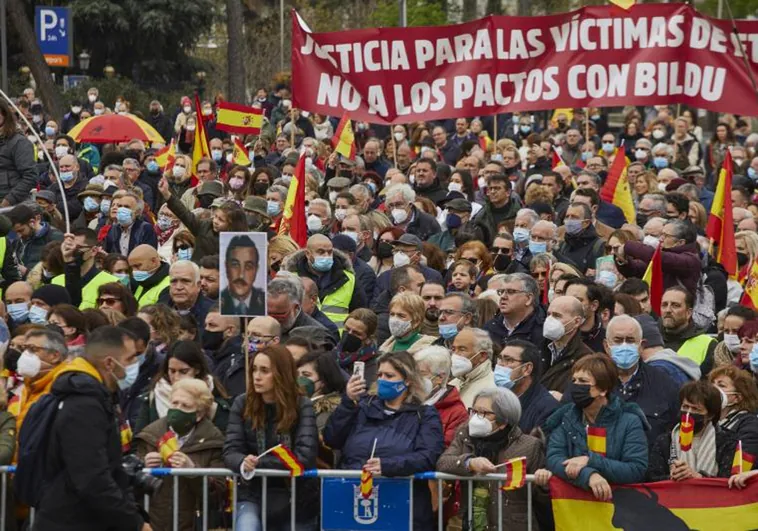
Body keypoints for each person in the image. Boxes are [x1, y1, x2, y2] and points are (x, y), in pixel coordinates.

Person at [35, 326, 151, 531]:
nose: (136, 364)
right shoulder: (84, 405)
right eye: (131, 358)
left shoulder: (97, 397)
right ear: (109, 363)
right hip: (73, 521)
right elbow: (91, 478)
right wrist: (134, 523)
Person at [324, 350, 444, 531]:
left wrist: (389, 466)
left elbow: (428, 456)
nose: (382, 380)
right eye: (379, 375)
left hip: (401, 503)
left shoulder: (424, 414)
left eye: (389, 375)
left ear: (407, 380)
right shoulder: (363, 405)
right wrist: (348, 403)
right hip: (352, 496)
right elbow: (332, 438)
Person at [223, 345, 319, 530]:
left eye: (265, 371)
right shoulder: (242, 403)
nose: (257, 376)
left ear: (281, 373)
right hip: (252, 493)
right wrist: (243, 462)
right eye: (254, 369)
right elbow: (230, 450)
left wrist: (259, 463)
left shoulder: (302, 405)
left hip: (296, 497)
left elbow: (304, 457)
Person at [534, 354, 648, 500]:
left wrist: (590, 460)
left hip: (620, 507)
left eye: (583, 381)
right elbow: (555, 459)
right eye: (574, 380)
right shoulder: (566, 417)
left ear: (603, 389)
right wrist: (589, 475)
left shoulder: (629, 421)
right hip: (577, 507)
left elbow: (636, 469)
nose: (575, 386)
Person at [437, 387, 545, 531]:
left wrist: (543, 483)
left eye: (484, 413)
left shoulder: (529, 446)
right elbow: (443, 463)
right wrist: (469, 463)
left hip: (512, 525)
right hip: (472, 523)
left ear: (503, 421)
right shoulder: (464, 435)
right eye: (474, 411)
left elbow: (542, 497)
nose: (476, 418)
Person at [134, 378, 226, 531]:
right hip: (153, 524)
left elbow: (218, 495)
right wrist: (143, 465)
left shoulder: (213, 441)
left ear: (199, 414)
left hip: (193, 524)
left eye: (185, 406)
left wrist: (193, 471)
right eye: (174, 403)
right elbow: (132, 487)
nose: (177, 409)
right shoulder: (149, 436)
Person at [604, 315, 679, 445]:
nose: (624, 346)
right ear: (606, 345)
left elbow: (677, 432)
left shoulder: (664, 384)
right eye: (618, 340)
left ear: (642, 345)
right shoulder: (591, 382)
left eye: (630, 340)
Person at [135, 340, 231, 434]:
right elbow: (139, 442)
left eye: (183, 371)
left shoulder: (215, 402)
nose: (176, 378)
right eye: (172, 371)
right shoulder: (152, 399)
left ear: (197, 369)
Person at [648, 381, 736, 481]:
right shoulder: (665, 440)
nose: (688, 413)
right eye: (685, 407)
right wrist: (673, 477)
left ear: (710, 415)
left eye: (695, 409)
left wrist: (698, 477)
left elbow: (728, 480)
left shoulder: (726, 442)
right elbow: (651, 477)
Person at [282, 234, 365, 331]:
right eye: (320, 252)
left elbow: (360, 313)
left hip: (338, 340)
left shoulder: (349, 279)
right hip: (301, 337)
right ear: (308, 254)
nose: (326, 256)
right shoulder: (291, 278)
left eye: (330, 252)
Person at [158, 176, 248, 262]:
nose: (215, 221)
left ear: (232, 224)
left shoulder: (239, 241)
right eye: (215, 216)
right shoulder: (204, 226)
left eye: (221, 220)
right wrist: (167, 194)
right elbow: (184, 214)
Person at [615, 219, 702, 295]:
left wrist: (628, 246)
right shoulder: (665, 253)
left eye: (666, 235)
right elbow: (636, 271)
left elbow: (660, 258)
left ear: (680, 242)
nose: (660, 239)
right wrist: (622, 260)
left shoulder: (691, 260)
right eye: (661, 234)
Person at [495, 339, 558, 435]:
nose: (500, 365)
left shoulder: (547, 409)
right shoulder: (493, 397)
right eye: (500, 359)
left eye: (508, 360)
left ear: (527, 369)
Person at [14, 328, 69, 438]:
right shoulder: (27, 386)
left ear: (55, 356)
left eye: (33, 349)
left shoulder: (63, 389)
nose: (26, 354)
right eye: (24, 349)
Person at [296, 351, 347, 468]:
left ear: (323, 381)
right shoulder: (296, 405)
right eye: (297, 374)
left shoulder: (331, 410)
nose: (299, 379)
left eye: (306, 375)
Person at [414, 346, 467, 447]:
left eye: (421, 373)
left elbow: (445, 450)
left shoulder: (457, 413)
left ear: (440, 377)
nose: (414, 378)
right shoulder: (404, 400)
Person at [540, 295, 592, 395]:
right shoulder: (537, 347)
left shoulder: (585, 358)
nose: (549, 320)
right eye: (548, 314)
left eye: (557, 316)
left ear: (576, 322)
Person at [54, 230, 119, 309]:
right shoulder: (56, 281)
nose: (72, 250)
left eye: (78, 247)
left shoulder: (111, 282)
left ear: (93, 251)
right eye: (69, 247)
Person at [660, 287, 716, 376]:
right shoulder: (649, 339)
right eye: (664, 305)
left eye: (675, 305)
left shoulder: (707, 344)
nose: (668, 310)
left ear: (688, 313)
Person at [708, 365, 758, 465]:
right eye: (712, 383)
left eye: (721, 385)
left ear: (737, 398)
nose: (712, 388)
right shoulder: (707, 420)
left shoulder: (750, 424)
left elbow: (742, 464)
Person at [483, 272, 546, 348]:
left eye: (511, 292)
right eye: (501, 292)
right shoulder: (489, 327)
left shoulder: (544, 331)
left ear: (529, 299)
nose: (503, 296)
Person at [158, 260, 214, 339]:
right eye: (174, 281)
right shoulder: (160, 310)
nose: (178, 287)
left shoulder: (212, 313)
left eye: (185, 281)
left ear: (198, 286)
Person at [9, 204, 63, 276]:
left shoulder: (55, 238)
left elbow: (57, 271)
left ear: (32, 222)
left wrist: (27, 272)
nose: (18, 235)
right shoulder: (17, 239)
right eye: (15, 232)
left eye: (21, 230)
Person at [267, 276, 325, 343]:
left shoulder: (316, 335)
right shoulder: (260, 326)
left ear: (296, 307)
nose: (273, 319)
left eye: (280, 314)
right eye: (269, 313)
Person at [450, 327, 496, 408]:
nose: (455, 355)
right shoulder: (452, 384)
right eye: (453, 349)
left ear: (482, 356)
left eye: (462, 349)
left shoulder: (493, 388)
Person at [220, 234, 266, 315]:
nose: (241, 275)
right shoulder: (218, 302)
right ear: (226, 267)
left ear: (256, 269)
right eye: (235, 265)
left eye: (248, 267)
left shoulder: (266, 303)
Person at [556, 202, 605, 274]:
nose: (569, 220)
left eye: (574, 217)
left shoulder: (599, 246)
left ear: (586, 223)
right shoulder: (563, 245)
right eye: (567, 216)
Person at [335, 308, 380, 387]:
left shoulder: (373, 362)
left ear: (368, 337)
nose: (349, 334)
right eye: (347, 329)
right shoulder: (335, 351)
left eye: (356, 333)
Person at [103, 190, 157, 254]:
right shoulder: (112, 230)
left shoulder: (145, 229)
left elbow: (148, 255)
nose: (121, 209)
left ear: (137, 212)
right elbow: (109, 253)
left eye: (126, 207)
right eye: (120, 206)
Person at [564, 277, 606, 352]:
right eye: (567, 299)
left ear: (594, 305)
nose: (569, 304)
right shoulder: (557, 335)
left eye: (577, 300)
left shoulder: (606, 340)